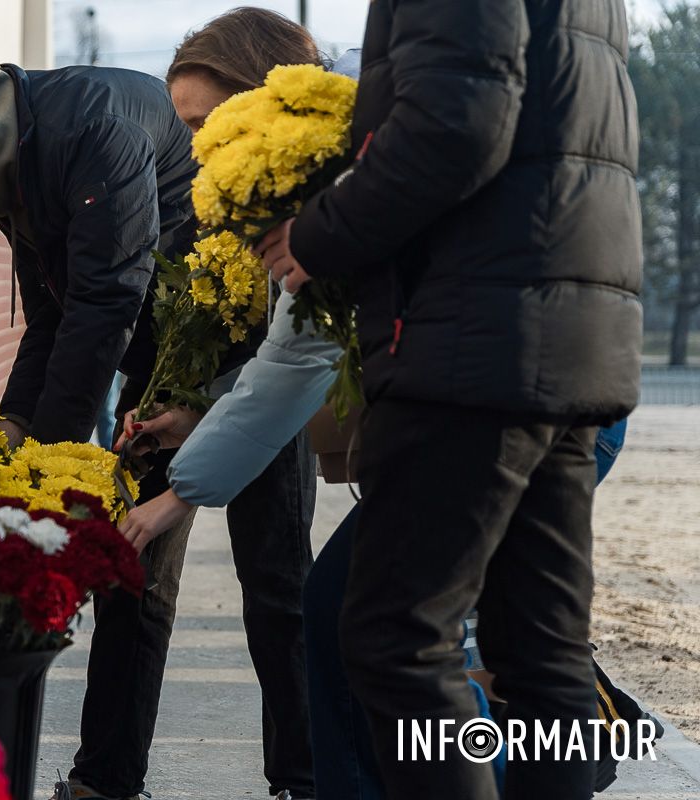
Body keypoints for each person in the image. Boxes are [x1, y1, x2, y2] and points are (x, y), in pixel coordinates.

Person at [0, 41, 277, 800]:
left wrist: (49, 466)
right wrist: (16, 428)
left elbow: (107, 302)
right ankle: (104, 784)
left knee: (277, 580)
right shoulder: (19, 173)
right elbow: (53, 317)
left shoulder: (91, 129)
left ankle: (306, 780)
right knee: (133, 572)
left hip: (246, 350)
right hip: (157, 360)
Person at [251, 1, 642, 797]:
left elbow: (456, 124)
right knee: (541, 653)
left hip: (472, 336)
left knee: (399, 638)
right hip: (568, 327)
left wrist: (318, 232)